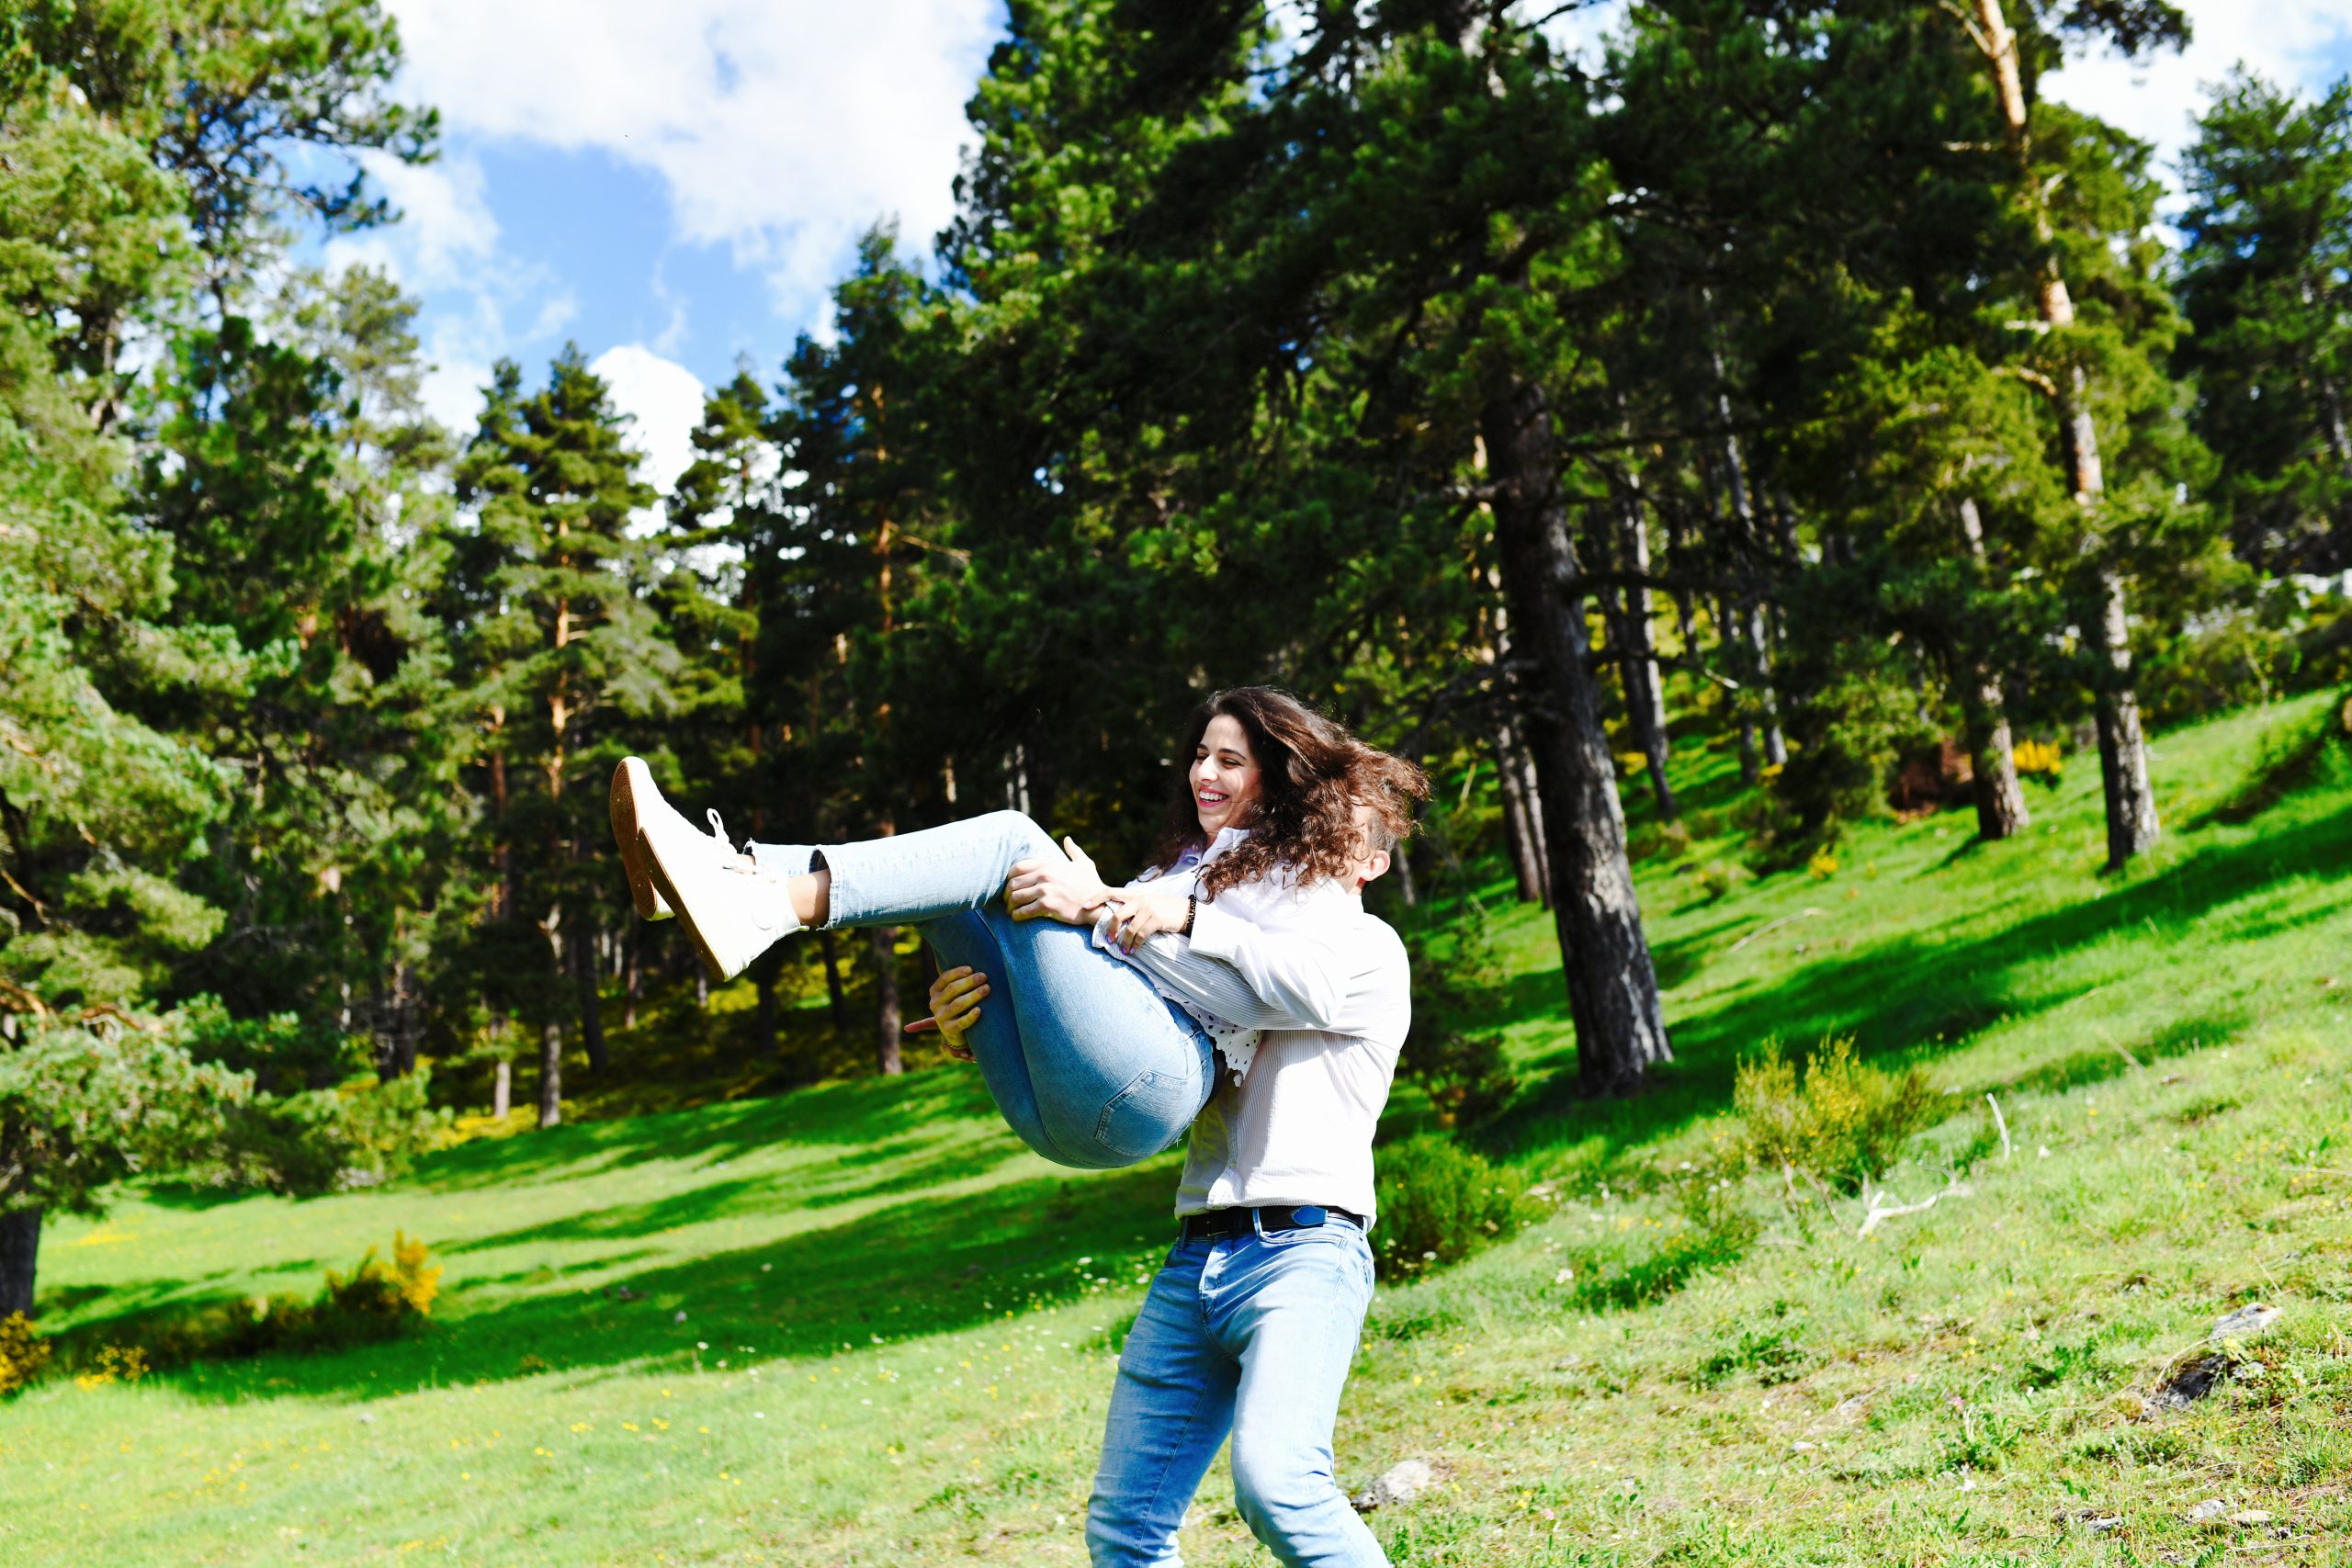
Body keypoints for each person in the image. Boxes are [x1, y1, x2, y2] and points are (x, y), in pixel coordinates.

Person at [609, 687, 1416, 1175]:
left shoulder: (1299, 878)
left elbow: (1279, 996)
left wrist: (1107, 909)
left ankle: (750, 894)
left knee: (1011, 845)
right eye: (1201, 755)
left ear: (1274, 775)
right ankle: (728, 876)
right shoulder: (1183, 867)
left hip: (1154, 1083)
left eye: (1230, 762)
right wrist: (964, 1018)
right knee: (948, 898)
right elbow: (1098, 970)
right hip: (1062, 1105)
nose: (1204, 772)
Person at [928, 795, 1419, 1568]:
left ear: (1373, 865)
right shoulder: (1225, 940)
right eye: (1303, 828)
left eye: (1338, 836)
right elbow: (1098, 1021)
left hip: (1305, 1250)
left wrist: (1114, 910)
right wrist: (979, 1025)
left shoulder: (1364, 950)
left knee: (1279, 1486)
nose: (1312, 844)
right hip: (1195, 1257)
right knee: (1125, 1529)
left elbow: (1238, 984)